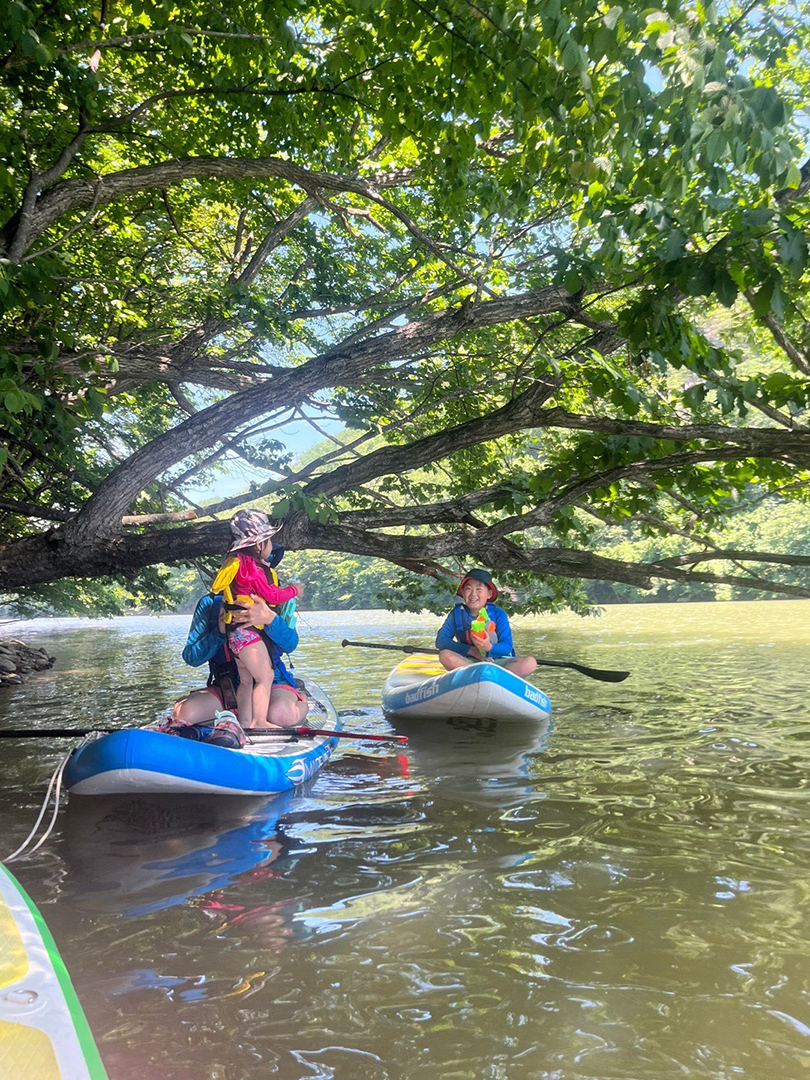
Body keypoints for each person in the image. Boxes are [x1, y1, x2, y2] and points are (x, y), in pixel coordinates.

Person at [214, 509, 303, 729]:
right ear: (258, 545)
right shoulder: (253, 570)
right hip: (250, 636)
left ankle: (245, 722)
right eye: (269, 540)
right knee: (265, 677)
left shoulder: (236, 567)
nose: (271, 546)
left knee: (246, 681)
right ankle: (260, 721)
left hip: (235, 637)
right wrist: (293, 590)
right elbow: (273, 595)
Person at [435, 569, 537, 677]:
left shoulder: (498, 614)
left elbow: (507, 646)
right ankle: (482, 676)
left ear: (489, 594)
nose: (473, 594)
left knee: (530, 663)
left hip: (498, 663)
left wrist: (488, 647)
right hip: (468, 664)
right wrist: (471, 651)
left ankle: (491, 677)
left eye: (479, 589)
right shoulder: (455, 614)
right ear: (463, 593)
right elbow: (441, 641)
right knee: (445, 655)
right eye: (468, 589)